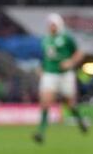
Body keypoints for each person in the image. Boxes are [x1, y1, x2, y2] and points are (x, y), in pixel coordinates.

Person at [33, 13, 89, 144]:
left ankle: (80, 121)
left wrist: (70, 62)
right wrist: (40, 67)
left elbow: (80, 53)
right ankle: (40, 132)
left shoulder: (66, 38)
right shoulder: (45, 40)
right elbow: (44, 56)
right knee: (45, 101)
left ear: (58, 25)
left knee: (69, 104)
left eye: (53, 24)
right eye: (49, 24)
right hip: (50, 73)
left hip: (65, 75)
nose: (51, 26)